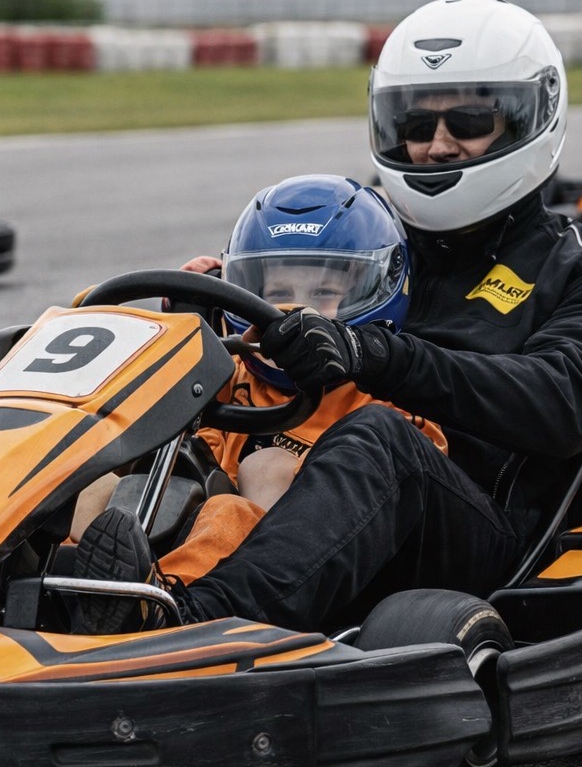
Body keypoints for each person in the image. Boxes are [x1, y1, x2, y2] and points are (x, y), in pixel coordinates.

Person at [70, 0, 582, 635]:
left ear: (528, 119)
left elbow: (567, 402)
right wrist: (212, 313)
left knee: (377, 437)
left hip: (467, 530)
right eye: (415, 124)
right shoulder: (356, 232)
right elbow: (266, 301)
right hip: (284, 476)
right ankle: (28, 574)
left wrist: (370, 354)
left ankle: (186, 621)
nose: (436, 146)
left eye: (467, 120)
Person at [66, 175, 448, 631]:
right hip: (170, 522)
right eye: (278, 295)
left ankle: (155, 607)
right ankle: (64, 589)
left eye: (323, 294)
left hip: (286, 568)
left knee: (254, 480)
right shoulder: (230, 368)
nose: (292, 312)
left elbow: (403, 479)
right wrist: (164, 314)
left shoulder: (385, 402)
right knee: (97, 483)